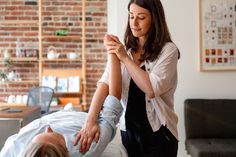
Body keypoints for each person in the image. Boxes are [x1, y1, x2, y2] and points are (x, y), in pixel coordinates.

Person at [76, 0, 180, 157]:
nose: (134, 23)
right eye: (131, 16)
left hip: (160, 134)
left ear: (154, 19)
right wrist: (90, 121)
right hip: (129, 133)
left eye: (141, 17)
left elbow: (151, 89)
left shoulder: (168, 50)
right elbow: (104, 85)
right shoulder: (126, 51)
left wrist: (124, 57)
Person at [0, 53, 124, 157]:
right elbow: (113, 99)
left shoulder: (13, 148)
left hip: (55, 114)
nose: (48, 128)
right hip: (81, 116)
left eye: (34, 140)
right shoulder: (87, 146)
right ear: (66, 152)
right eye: (59, 138)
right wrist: (112, 53)